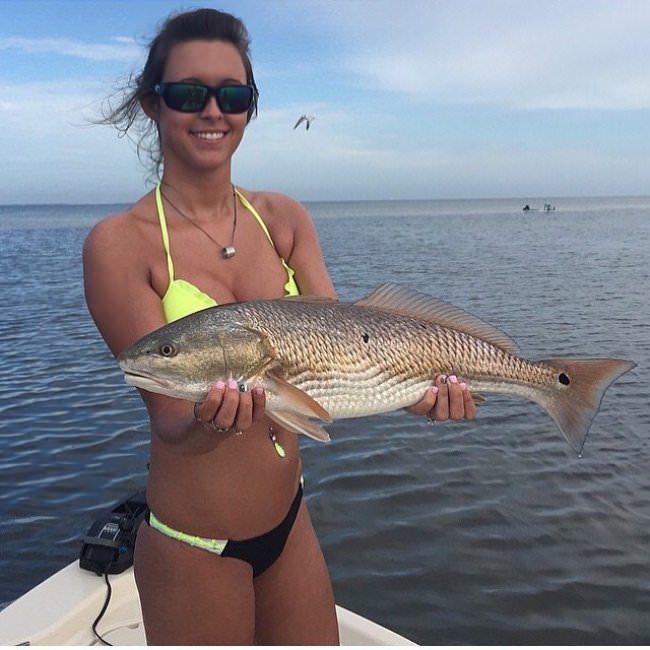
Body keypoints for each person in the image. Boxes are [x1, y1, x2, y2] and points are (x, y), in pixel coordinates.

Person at [83, 7, 476, 645]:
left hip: (290, 524)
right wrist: (212, 422)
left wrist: (415, 392)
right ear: (153, 105)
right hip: (194, 543)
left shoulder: (284, 217)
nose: (212, 111)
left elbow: (348, 357)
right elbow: (170, 422)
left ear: (250, 108)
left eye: (232, 95)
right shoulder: (119, 247)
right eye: (188, 93)